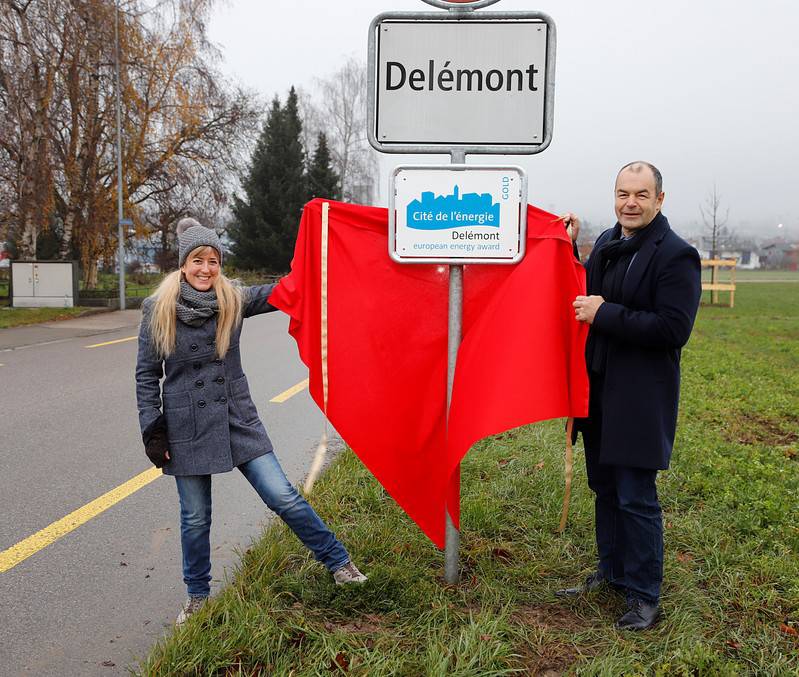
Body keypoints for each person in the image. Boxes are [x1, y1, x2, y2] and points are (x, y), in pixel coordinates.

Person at [135, 218, 366, 626]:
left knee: (283, 496)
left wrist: (326, 256)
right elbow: (146, 374)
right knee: (195, 517)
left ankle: (339, 563)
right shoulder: (159, 308)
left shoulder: (233, 300)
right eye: (197, 260)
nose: (206, 269)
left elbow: (284, 292)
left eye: (213, 260)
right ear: (183, 264)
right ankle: (198, 596)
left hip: (235, 416)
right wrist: (152, 429)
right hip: (185, 426)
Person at [556, 162, 701, 630]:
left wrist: (606, 314)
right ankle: (613, 571)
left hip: (639, 397)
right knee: (605, 488)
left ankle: (644, 596)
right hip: (597, 391)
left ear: (660, 199)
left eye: (641, 194)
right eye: (623, 194)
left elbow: (672, 328)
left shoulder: (676, 254)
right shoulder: (607, 244)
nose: (630, 203)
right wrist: (572, 246)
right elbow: (588, 290)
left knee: (636, 495)